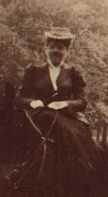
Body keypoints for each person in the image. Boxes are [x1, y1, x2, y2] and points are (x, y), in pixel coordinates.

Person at [14, 26, 100, 176]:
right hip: (38, 117)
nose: (56, 51)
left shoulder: (74, 72)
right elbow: (19, 98)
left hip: (68, 119)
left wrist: (65, 104)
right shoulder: (33, 70)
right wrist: (32, 103)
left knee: (82, 142)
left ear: (67, 51)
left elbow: (82, 101)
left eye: (60, 48)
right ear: (46, 48)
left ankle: (84, 175)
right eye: (52, 47)